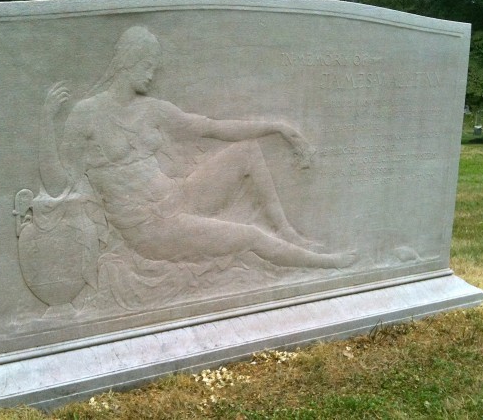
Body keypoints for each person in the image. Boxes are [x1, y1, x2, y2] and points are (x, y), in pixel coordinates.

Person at [39, 26, 356, 271]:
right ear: (127, 63)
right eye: (148, 66)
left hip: (178, 197)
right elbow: (59, 183)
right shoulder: (86, 114)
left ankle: (287, 232)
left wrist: (278, 128)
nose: (153, 74)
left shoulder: (153, 109)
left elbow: (213, 128)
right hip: (151, 229)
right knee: (250, 235)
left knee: (246, 150)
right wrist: (46, 124)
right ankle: (327, 264)